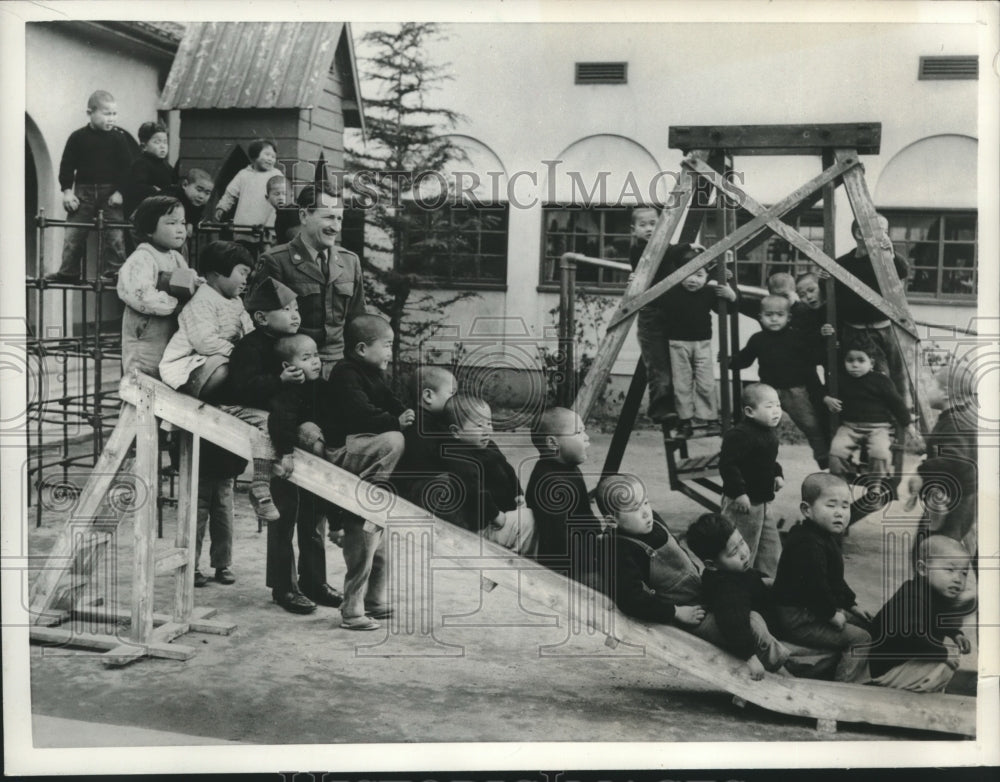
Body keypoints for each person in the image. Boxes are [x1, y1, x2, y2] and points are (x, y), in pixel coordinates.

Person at [596, 474, 790, 673]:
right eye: (635, 509)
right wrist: (676, 612)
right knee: (751, 623)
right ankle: (783, 671)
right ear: (612, 521)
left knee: (751, 594)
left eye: (645, 502)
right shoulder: (618, 549)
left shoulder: (655, 522)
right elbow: (631, 598)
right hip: (685, 614)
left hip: (698, 594)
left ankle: (788, 654)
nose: (646, 513)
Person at [224, 278, 339, 613]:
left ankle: (314, 582)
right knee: (284, 513)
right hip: (274, 439)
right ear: (261, 318)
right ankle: (283, 587)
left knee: (313, 513)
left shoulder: (299, 342)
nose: (294, 315)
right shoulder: (252, 347)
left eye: (296, 308)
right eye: (286, 309)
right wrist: (279, 380)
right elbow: (242, 388)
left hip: (295, 431)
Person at [325, 314, 411, 630]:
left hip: (365, 453)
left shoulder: (374, 374)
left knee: (381, 547)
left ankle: (373, 601)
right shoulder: (346, 373)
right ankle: (351, 611)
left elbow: (392, 402)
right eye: (387, 345)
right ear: (362, 348)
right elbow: (359, 413)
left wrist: (405, 413)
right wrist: (395, 422)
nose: (391, 351)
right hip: (344, 450)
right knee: (394, 440)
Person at [252, 184, 366, 379]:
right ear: (304, 216)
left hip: (341, 370)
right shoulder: (276, 261)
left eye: (339, 219)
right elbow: (262, 326)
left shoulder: (350, 261)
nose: (336, 227)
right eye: (328, 217)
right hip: (296, 373)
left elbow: (357, 320)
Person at [772, 473, 872, 683]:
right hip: (798, 619)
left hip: (810, 610)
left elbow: (834, 580)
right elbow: (815, 587)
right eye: (831, 505)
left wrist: (851, 604)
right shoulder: (807, 544)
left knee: (865, 623)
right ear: (807, 510)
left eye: (845, 506)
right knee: (861, 638)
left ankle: (836, 669)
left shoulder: (822, 536)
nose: (840, 513)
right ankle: (843, 689)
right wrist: (831, 615)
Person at [685, 513, 794, 680]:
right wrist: (750, 657)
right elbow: (733, 623)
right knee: (755, 622)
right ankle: (787, 676)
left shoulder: (735, 571)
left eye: (741, 542)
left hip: (774, 632)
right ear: (711, 565)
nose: (744, 553)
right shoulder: (726, 587)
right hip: (760, 644)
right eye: (734, 552)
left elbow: (754, 579)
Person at [731, 294, 829, 469]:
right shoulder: (757, 339)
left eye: (779, 315)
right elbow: (745, 359)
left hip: (795, 390)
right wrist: (731, 361)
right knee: (760, 425)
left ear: (788, 317)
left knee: (810, 424)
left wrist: (823, 338)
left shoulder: (797, 337)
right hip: (769, 390)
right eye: (769, 315)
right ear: (760, 317)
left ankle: (823, 456)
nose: (774, 319)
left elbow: (814, 355)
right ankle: (756, 458)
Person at [868, 535, 974, 692]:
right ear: (923, 569)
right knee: (944, 664)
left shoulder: (935, 594)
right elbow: (912, 636)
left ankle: (924, 691)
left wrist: (955, 634)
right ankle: (909, 697)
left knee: (946, 660)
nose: (958, 579)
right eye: (950, 570)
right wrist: (943, 653)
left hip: (903, 662)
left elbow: (937, 620)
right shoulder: (912, 597)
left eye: (964, 573)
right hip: (883, 669)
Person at [433, 394, 536, 555]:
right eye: (479, 426)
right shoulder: (457, 455)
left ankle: (518, 556)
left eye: (489, 423)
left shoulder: (488, 446)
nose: (489, 430)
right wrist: (495, 516)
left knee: (531, 516)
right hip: (485, 525)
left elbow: (507, 468)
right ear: (456, 432)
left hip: (503, 513)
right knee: (530, 520)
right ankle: (515, 561)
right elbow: (473, 490)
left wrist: (517, 492)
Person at [47, 89, 131, 283]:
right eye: (106, 113)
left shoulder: (119, 139)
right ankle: (68, 272)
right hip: (83, 192)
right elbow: (66, 165)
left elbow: (128, 169)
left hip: (110, 193)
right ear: (89, 113)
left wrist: (120, 191)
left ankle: (115, 273)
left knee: (115, 234)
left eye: (114, 114)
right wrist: (67, 192)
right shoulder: (77, 137)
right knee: (73, 233)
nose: (112, 118)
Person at [830, 215, 911, 407]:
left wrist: (891, 256)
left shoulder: (885, 261)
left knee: (897, 373)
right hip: (855, 330)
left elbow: (903, 272)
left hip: (885, 328)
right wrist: (825, 276)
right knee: (866, 375)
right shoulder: (843, 263)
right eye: (880, 230)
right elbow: (831, 294)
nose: (885, 235)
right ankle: (869, 416)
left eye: (886, 230)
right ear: (859, 233)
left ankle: (902, 416)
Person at [159, 241, 254, 399]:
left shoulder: (236, 301)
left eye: (247, 275)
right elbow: (205, 343)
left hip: (222, 355)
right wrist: (239, 353)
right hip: (190, 363)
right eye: (242, 273)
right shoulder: (203, 300)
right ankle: (212, 397)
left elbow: (248, 328)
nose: (245, 281)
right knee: (223, 370)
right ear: (218, 271)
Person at [116, 196, 196, 378]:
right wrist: (175, 305)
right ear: (149, 228)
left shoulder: (176, 258)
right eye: (172, 223)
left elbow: (188, 280)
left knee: (164, 382)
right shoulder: (142, 258)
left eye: (182, 223)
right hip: (145, 337)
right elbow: (141, 295)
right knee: (142, 382)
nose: (180, 229)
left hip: (168, 335)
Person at [907, 356, 978, 559]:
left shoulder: (955, 423)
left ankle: (931, 588)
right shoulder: (956, 418)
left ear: (946, 392)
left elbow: (955, 458)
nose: (926, 388)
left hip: (954, 500)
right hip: (956, 496)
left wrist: (922, 472)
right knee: (940, 545)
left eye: (931, 384)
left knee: (933, 551)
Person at [525, 407, 603, 585]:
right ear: (553, 443)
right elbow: (559, 538)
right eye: (578, 432)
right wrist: (592, 566)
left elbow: (584, 514)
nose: (586, 437)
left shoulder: (569, 468)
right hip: (567, 568)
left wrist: (599, 536)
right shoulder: (551, 483)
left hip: (583, 551)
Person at [823, 336, 917, 482]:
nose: (855, 365)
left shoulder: (881, 381)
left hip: (878, 428)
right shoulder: (841, 380)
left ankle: (875, 485)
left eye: (861, 361)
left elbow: (896, 403)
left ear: (871, 363)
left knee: (880, 453)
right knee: (836, 452)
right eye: (850, 360)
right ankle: (838, 483)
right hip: (849, 427)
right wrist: (826, 398)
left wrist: (908, 424)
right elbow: (824, 390)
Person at [718, 383, 784, 576]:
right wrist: (739, 493)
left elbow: (768, 460)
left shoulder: (768, 433)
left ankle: (768, 583)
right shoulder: (739, 435)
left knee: (770, 548)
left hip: (763, 502)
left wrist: (778, 474)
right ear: (750, 411)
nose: (776, 411)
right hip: (742, 504)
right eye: (769, 406)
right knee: (740, 549)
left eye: (778, 406)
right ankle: (736, 585)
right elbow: (728, 465)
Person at [664, 265, 737, 438]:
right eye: (688, 274)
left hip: (702, 344)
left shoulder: (709, 292)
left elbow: (727, 310)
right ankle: (685, 422)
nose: (692, 279)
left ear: (706, 278)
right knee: (681, 384)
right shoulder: (672, 292)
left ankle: (710, 419)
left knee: (706, 383)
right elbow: (650, 296)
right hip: (677, 344)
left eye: (699, 275)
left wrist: (731, 293)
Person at [193, 440, 247, 588]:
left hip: (225, 473)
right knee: (194, 522)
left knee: (224, 521)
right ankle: (190, 567)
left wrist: (236, 468)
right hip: (197, 471)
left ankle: (222, 566)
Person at [214, 138, 281, 229]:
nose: (270, 159)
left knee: (266, 239)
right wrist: (222, 207)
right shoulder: (244, 174)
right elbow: (231, 193)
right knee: (243, 239)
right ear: (254, 156)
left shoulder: (276, 174)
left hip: (267, 221)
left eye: (273, 157)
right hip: (244, 221)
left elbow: (284, 194)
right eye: (267, 155)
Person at [123, 121, 174, 218]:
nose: (162, 146)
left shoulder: (166, 166)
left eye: (165, 142)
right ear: (144, 146)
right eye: (157, 142)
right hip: (143, 212)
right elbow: (136, 187)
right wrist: (154, 190)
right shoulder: (141, 164)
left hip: (161, 210)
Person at [164, 168, 214, 259]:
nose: (202, 196)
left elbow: (194, 215)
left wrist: (191, 223)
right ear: (185, 185)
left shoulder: (196, 203)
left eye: (207, 193)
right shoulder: (172, 198)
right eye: (199, 190)